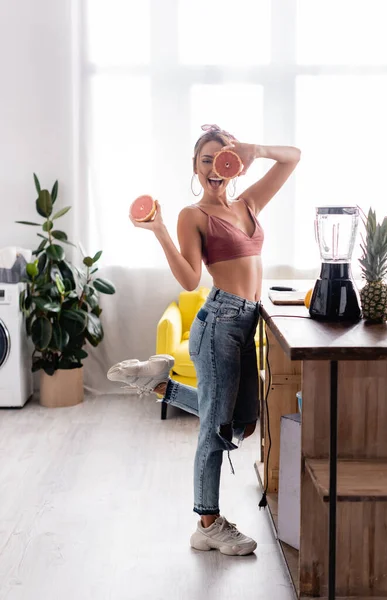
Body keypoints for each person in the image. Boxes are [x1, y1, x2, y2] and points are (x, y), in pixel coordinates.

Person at [107, 124, 301, 555]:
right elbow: (191, 278)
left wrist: (256, 149)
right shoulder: (192, 215)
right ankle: (207, 522)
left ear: (235, 164)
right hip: (218, 324)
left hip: (246, 324)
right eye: (205, 161)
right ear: (195, 167)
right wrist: (158, 229)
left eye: (222, 159)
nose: (215, 169)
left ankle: (160, 384)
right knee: (215, 428)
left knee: (241, 422)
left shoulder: (248, 202)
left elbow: (293, 157)